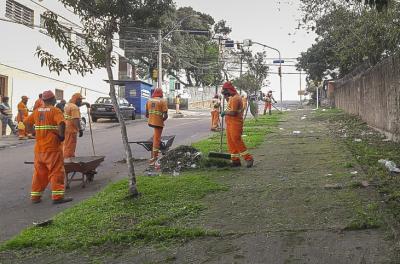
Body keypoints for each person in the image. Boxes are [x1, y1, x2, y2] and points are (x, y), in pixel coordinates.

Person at [24, 90, 72, 204]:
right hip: (52, 148)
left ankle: (35, 197)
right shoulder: (55, 110)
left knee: (39, 173)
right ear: (53, 100)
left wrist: (34, 133)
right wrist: (61, 137)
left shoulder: (36, 111)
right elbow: (62, 123)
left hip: (39, 149)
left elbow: (26, 123)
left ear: (43, 100)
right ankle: (57, 197)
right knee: (56, 171)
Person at [221, 82, 254, 168]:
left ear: (229, 90)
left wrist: (225, 112)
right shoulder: (232, 97)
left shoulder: (236, 98)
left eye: (226, 91)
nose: (225, 94)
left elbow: (233, 112)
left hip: (235, 123)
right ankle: (235, 160)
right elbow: (230, 104)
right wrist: (225, 97)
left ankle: (248, 158)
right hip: (230, 123)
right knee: (231, 141)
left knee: (236, 140)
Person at [146, 88, 168, 166]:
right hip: (158, 123)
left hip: (150, 122)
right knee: (157, 139)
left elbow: (146, 114)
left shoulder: (149, 100)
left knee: (156, 135)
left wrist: (152, 116)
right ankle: (154, 157)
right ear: (161, 93)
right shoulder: (163, 101)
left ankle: (154, 150)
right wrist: (161, 120)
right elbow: (165, 116)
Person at [63, 93, 84, 159]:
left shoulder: (68, 105)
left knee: (66, 145)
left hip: (66, 128)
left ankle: (66, 159)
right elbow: (76, 120)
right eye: (80, 100)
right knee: (70, 146)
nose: (81, 102)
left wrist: (85, 104)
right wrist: (80, 129)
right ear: (76, 100)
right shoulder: (75, 108)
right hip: (71, 129)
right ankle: (68, 160)